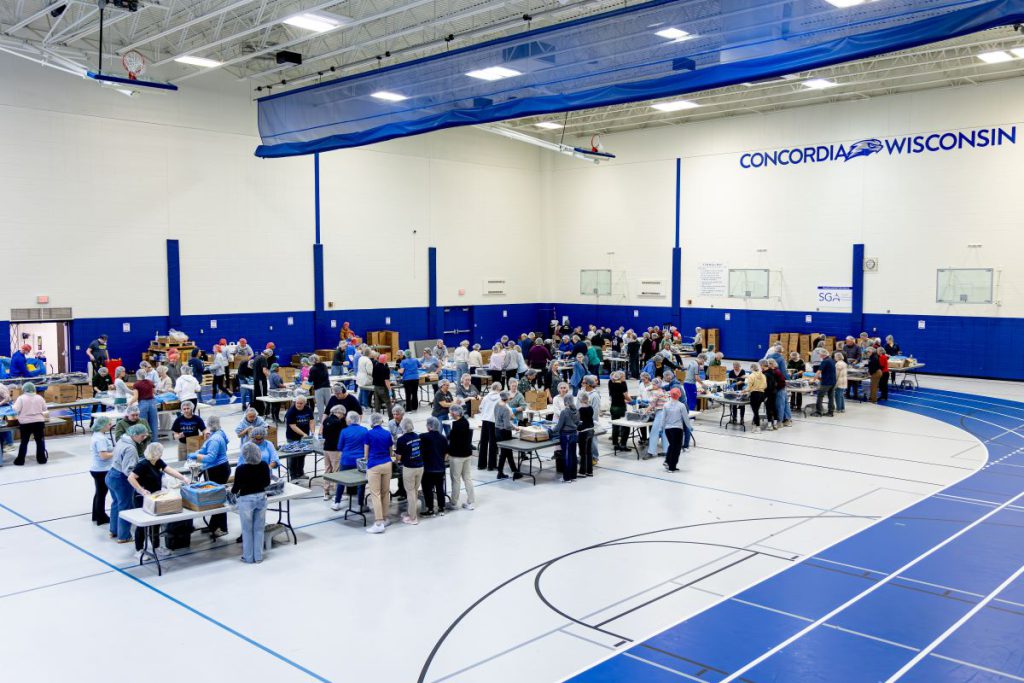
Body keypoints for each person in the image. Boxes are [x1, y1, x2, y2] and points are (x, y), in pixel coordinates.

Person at [128, 442, 187, 553]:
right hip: (142, 498)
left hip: (155, 497)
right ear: (156, 453)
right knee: (142, 525)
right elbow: (131, 478)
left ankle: (156, 546)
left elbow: (169, 470)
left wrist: (183, 478)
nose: (162, 454)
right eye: (161, 452)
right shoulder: (143, 464)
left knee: (156, 523)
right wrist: (141, 490)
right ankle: (139, 550)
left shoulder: (158, 461)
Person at [106, 425, 149, 543]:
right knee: (125, 507)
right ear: (134, 435)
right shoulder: (131, 448)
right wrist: (140, 483)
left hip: (111, 474)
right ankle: (124, 536)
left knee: (116, 504)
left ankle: (113, 530)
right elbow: (128, 471)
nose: (144, 438)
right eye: (142, 436)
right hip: (121, 479)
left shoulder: (121, 440)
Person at [230, 443, 271, 564]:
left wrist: (231, 493)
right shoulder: (264, 465)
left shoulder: (241, 469)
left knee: (247, 530)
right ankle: (258, 556)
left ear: (245, 455)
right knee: (259, 528)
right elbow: (267, 482)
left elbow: (236, 488)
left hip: (246, 500)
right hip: (261, 498)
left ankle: (248, 557)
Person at [192, 415, 231, 537]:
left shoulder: (215, 439)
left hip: (217, 470)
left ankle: (221, 527)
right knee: (218, 498)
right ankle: (213, 525)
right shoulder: (220, 433)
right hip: (222, 467)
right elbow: (222, 444)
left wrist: (195, 457)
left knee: (217, 499)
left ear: (209, 425)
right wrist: (200, 451)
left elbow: (210, 457)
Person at [330, 412, 369, 510]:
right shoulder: (364, 430)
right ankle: (361, 504)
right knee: (361, 483)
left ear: (349, 420)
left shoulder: (344, 431)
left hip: (346, 460)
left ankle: (337, 502)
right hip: (360, 461)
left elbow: (339, 447)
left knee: (341, 481)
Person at [363, 413, 394, 533]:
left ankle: (379, 522)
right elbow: (391, 451)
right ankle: (386, 518)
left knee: (375, 494)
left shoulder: (368, 434)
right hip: (387, 464)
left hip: (374, 465)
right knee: (385, 492)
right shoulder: (387, 433)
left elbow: (366, 454)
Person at [395, 418, 423, 524]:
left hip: (409, 468)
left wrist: (396, 460)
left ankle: (413, 518)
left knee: (410, 493)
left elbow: (398, 456)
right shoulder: (418, 437)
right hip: (420, 466)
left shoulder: (401, 439)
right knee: (414, 491)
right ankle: (411, 512)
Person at [447, 404, 475, 511]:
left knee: (456, 479)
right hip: (467, 454)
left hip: (457, 456)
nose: (450, 414)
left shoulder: (456, 425)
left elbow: (451, 439)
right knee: (467, 478)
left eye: (451, 412)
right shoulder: (466, 422)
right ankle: (471, 501)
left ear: (454, 413)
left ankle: (454, 502)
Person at [12, 382, 48, 465]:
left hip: (25, 423)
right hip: (39, 422)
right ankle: (41, 459)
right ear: (34, 389)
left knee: (24, 442)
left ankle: (20, 460)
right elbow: (44, 408)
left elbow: (16, 410)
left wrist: (12, 406)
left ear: (24, 389)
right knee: (40, 441)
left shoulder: (21, 398)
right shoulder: (39, 397)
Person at [419, 417, 449, 515]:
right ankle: (441, 507)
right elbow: (446, 453)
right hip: (440, 468)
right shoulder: (443, 438)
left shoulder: (423, 437)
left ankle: (430, 509)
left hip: (428, 469)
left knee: (427, 489)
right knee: (440, 488)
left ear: (428, 426)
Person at [88, 416, 115, 525]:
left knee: (99, 493)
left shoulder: (97, 435)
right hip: (102, 470)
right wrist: (116, 453)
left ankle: (96, 515)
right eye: (109, 424)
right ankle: (101, 517)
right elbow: (103, 455)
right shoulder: (101, 439)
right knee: (102, 493)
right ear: (103, 425)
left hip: (97, 468)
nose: (110, 426)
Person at [284, 394, 315, 479]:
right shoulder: (291, 411)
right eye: (297, 403)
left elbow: (311, 421)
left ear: (305, 403)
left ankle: (300, 473)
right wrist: (303, 434)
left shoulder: (308, 409)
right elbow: (293, 426)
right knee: (294, 456)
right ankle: (293, 475)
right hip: (292, 437)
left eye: (301, 403)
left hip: (304, 437)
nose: (299, 405)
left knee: (302, 455)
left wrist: (312, 432)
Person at [663, 388, 694, 472]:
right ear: (679, 395)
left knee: (672, 445)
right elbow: (686, 418)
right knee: (676, 448)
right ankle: (671, 467)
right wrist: (689, 427)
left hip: (668, 430)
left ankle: (667, 461)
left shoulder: (666, 405)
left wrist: (661, 428)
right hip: (677, 429)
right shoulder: (681, 405)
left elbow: (663, 418)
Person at [320, 405, 346, 500]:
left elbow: (324, 434)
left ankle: (326, 492)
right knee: (336, 471)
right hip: (335, 450)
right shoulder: (337, 422)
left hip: (326, 448)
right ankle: (337, 493)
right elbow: (340, 437)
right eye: (343, 414)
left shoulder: (326, 420)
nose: (343, 416)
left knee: (327, 470)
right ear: (339, 413)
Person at [494, 391, 522, 480]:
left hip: (497, 430)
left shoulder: (497, 404)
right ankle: (501, 472)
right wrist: (515, 428)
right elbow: (507, 425)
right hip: (504, 432)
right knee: (505, 452)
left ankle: (514, 470)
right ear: (508, 398)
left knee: (507, 452)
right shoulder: (505, 409)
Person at [553, 395, 581, 482]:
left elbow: (559, 426)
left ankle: (567, 477)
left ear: (565, 402)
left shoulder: (564, 412)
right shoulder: (576, 411)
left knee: (567, 456)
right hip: (574, 434)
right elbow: (577, 423)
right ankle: (573, 476)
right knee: (573, 455)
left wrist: (551, 431)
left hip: (566, 436)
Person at [477, 382, 501, 470]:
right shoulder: (499, 398)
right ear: (498, 389)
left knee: (483, 442)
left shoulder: (486, 397)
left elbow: (480, 408)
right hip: (493, 421)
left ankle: (481, 464)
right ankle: (491, 465)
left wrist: (485, 413)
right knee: (492, 443)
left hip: (485, 420)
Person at [130, 369, 158, 439]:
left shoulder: (136, 384)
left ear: (137, 375)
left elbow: (135, 397)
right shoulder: (150, 382)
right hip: (152, 403)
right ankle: (154, 441)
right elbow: (154, 392)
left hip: (143, 404)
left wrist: (129, 403)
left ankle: (145, 441)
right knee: (154, 423)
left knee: (143, 423)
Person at [307, 354, 331, 425]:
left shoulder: (312, 369)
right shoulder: (324, 365)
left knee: (320, 407)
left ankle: (322, 422)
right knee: (328, 405)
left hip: (318, 388)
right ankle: (331, 420)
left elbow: (310, 381)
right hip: (327, 387)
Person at [745, 363, 767, 433]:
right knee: (756, 410)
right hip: (761, 394)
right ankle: (754, 427)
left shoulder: (751, 376)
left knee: (755, 412)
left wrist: (744, 391)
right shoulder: (763, 375)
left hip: (754, 394)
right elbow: (765, 385)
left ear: (751, 368)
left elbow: (749, 387)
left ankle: (758, 427)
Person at [577, 393, 595, 478]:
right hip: (591, 430)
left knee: (583, 452)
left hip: (583, 432)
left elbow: (580, 422)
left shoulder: (581, 409)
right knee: (589, 451)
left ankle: (582, 471)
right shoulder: (590, 408)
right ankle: (589, 471)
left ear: (580, 400)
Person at [815, 352, 837, 417]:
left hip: (826, 382)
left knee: (820, 396)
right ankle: (830, 412)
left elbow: (819, 371)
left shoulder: (825, 361)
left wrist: (813, 379)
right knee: (831, 397)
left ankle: (818, 412)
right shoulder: (832, 360)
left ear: (822, 355)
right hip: (833, 381)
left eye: (820, 355)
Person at [252, 348, 273, 416]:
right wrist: (270, 376)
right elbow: (264, 371)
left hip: (256, 379)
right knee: (262, 396)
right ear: (268, 355)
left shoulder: (257, 357)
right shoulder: (263, 358)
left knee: (257, 395)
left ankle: (257, 411)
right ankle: (263, 412)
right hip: (260, 380)